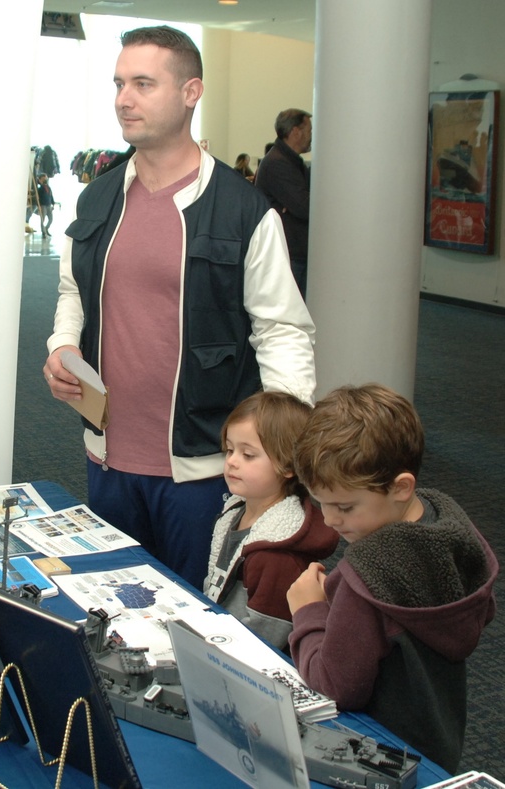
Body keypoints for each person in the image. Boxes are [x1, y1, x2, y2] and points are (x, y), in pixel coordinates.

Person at [42, 25, 316, 589]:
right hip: (108, 459)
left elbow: (281, 329)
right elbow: (73, 292)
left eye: (143, 83)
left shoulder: (243, 211)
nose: (124, 98)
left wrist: (283, 446)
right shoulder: (97, 198)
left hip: (205, 470)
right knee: (113, 609)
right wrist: (62, 346)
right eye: (119, 82)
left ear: (191, 92)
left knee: (196, 623)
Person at [286, 384, 498, 772]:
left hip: (375, 752)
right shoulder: (447, 526)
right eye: (321, 504)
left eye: (344, 506)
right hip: (438, 743)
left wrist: (310, 611)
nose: (330, 520)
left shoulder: (367, 576)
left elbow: (334, 685)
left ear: (401, 488)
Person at [202, 392, 337, 649]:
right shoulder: (234, 513)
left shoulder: (277, 554)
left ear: (288, 466)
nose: (231, 461)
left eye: (248, 455)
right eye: (230, 450)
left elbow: (265, 639)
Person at [254, 109, 312, 297]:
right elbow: (305, 207)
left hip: (293, 251)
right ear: (295, 132)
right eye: (309, 131)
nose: (312, 136)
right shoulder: (278, 163)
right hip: (288, 253)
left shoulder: (291, 161)